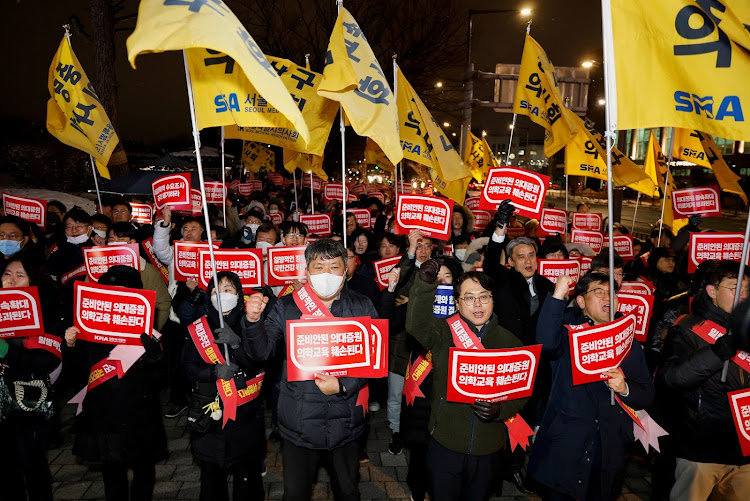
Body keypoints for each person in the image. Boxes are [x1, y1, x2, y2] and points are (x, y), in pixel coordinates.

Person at [241, 239, 378, 501]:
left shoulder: (362, 305)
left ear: (345, 269)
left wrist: (342, 386)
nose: (327, 274)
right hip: (299, 425)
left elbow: (374, 359)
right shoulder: (287, 306)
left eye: (334, 266)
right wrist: (252, 322)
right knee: (295, 493)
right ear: (307, 271)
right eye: (319, 266)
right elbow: (261, 352)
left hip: (346, 423)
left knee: (348, 491)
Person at [405, 261, 528, 500]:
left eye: (484, 296)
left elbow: (522, 393)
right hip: (445, 445)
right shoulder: (443, 332)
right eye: (469, 298)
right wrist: (425, 285)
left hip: (489, 447)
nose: (478, 304)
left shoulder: (510, 342)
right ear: (457, 302)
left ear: (493, 300)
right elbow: (415, 325)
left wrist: (501, 410)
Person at [528, 272, 655, 501]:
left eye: (612, 293)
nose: (607, 297)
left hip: (608, 450)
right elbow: (545, 344)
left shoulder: (629, 342)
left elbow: (647, 395)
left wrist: (625, 388)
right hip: (566, 445)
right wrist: (558, 295)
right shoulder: (568, 333)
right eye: (598, 291)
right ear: (581, 301)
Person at [64, 266, 167, 501]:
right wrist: (70, 345)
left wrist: (155, 356)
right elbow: (75, 373)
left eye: (124, 291)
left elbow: (161, 376)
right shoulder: (88, 327)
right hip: (104, 411)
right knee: (112, 473)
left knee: (143, 471)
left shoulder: (147, 330)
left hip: (140, 412)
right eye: (111, 291)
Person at [658, 261, 750, 501]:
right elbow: (671, 379)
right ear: (712, 291)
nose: (743, 295)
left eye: (747, 289)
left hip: (745, 451)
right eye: (735, 288)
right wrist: (716, 353)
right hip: (701, 450)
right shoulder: (689, 327)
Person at [179, 271, 267, 501]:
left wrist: (237, 344)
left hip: (245, 413)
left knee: (246, 478)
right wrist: (214, 372)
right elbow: (187, 368)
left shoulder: (251, 322)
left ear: (239, 294)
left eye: (228, 289)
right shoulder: (200, 327)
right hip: (210, 413)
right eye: (217, 290)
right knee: (211, 479)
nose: (222, 295)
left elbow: (259, 363)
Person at [0, 256, 62, 501]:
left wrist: (8, 350)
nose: (11, 280)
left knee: (32, 463)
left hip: (25, 400)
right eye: (7, 273)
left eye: (20, 275)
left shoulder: (46, 313)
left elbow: (46, 361)